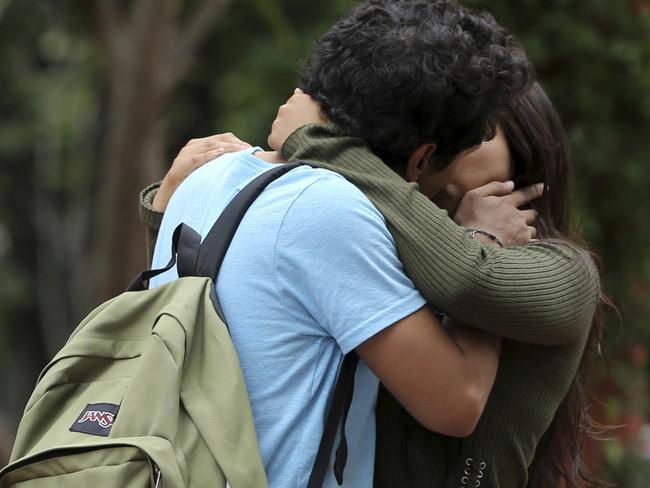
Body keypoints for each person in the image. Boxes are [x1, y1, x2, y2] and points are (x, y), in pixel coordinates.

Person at [140, 1, 600, 486]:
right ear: (425, 156)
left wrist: (314, 140)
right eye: (466, 135)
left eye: (481, 134)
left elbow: (471, 280)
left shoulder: (563, 271)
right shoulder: (352, 224)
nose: (468, 144)